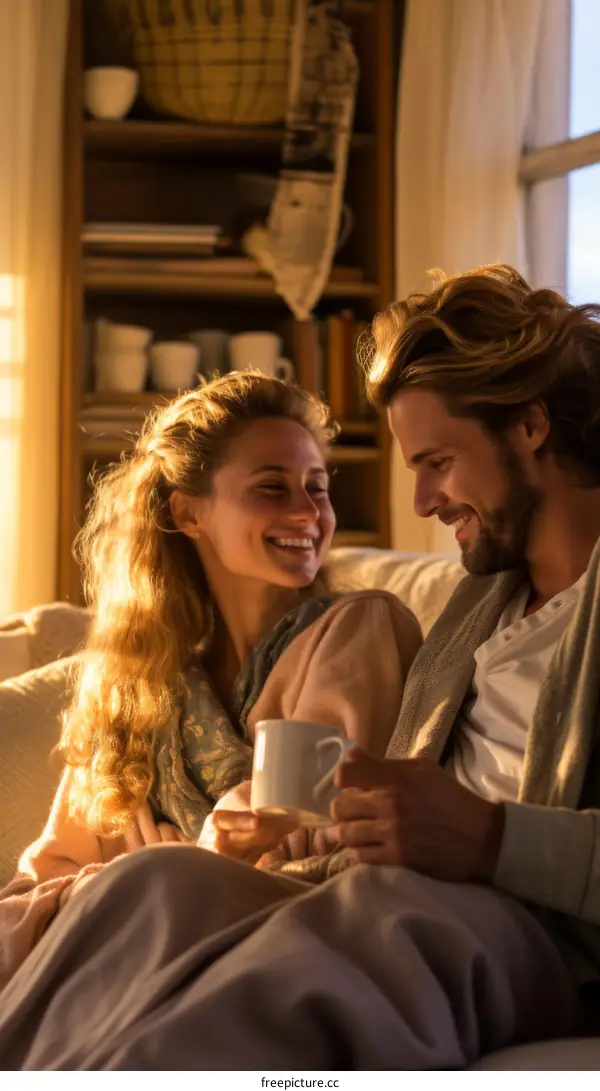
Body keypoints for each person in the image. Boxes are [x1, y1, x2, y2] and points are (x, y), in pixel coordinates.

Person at [1, 263, 596, 1071]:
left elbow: (448, 843)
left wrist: (491, 837)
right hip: (396, 884)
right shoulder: (480, 608)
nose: (420, 502)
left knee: (337, 928)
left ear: (529, 426)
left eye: (438, 462)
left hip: (513, 918)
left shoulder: (367, 628)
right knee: (151, 888)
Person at [0, 371, 421, 994]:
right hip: (119, 981)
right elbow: (25, 905)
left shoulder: (358, 631)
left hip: (274, 977)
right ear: (187, 513)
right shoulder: (132, 692)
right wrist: (144, 878)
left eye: (318, 488)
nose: (307, 513)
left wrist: (170, 872)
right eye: (271, 488)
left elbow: (323, 866)